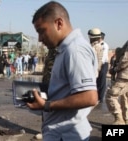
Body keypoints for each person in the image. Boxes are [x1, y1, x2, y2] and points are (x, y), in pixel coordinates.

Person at [26, 1, 98, 141]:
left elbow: (89, 97)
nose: (40, 38)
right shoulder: (64, 49)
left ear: (59, 23)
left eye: (41, 31)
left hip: (66, 134)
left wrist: (47, 105)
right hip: (61, 132)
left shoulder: (75, 50)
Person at [105, 41, 128, 125]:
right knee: (125, 98)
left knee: (110, 96)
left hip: (125, 76)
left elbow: (125, 60)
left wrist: (115, 69)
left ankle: (119, 121)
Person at [88, 28, 109, 103]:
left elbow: (101, 58)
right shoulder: (93, 45)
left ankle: (100, 98)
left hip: (103, 64)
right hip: (97, 66)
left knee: (102, 81)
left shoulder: (102, 46)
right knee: (97, 82)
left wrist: (98, 68)